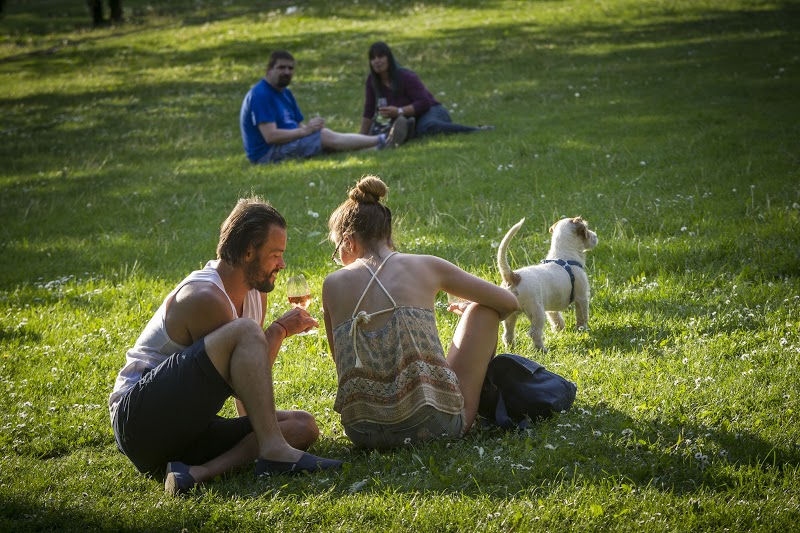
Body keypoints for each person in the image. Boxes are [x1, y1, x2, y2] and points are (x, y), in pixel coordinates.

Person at [109, 197, 343, 496]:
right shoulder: (205, 296)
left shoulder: (254, 293)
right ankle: (274, 451)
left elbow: (248, 382)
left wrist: (256, 423)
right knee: (246, 331)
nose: (281, 264)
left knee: (302, 426)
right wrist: (278, 331)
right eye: (275, 254)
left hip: (185, 430)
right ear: (248, 252)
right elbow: (236, 382)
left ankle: (195, 473)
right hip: (140, 422)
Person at [321, 176, 518, 449]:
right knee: (484, 310)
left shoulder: (331, 285)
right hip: (433, 426)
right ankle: (440, 397)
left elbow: (340, 361)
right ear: (387, 233)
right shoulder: (426, 266)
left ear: (349, 241)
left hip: (363, 433)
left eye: (336, 250)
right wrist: (471, 311)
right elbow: (508, 302)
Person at [240, 50, 409, 165]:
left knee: (328, 142)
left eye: (290, 68)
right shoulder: (260, 94)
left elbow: (299, 127)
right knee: (323, 136)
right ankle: (384, 139)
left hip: (286, 144)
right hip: (267, 154)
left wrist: (309, 128)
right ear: (269, 70)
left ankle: (377, 147)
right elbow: (271, 136)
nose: (287, 72)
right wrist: (306, 132)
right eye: (281, 67)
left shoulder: (285, 93)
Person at [359, 41, 495, 140]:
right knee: (380, 134)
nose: (377, 61)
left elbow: (424, 102)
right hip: (406, 119)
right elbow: (369, 111)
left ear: (389, 58)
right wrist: (361, 138)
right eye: (373, 58)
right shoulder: (372, 81)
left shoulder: (406, 76)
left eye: (380, 56)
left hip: (430, 111)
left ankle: (476, 130)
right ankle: (409, 130)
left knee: (427, 128)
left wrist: (399, 111)